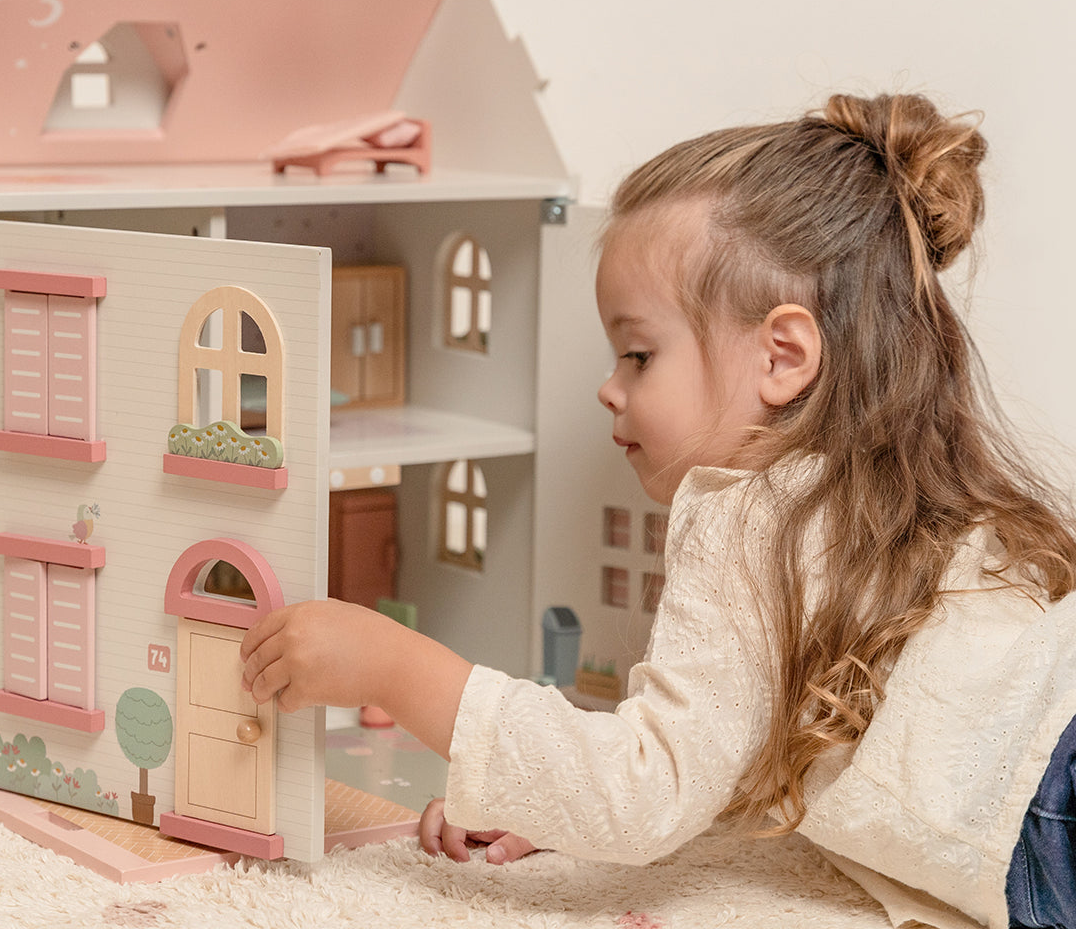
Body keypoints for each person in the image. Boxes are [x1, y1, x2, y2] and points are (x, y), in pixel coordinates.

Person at [240, 93, 1076, 929]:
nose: (610, 387)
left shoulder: (752, 515)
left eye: (638, 354)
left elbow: (644, 792)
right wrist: (550, 800)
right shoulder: (886, 503)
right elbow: (731, 753)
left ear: (782, 357)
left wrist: (396, 668)